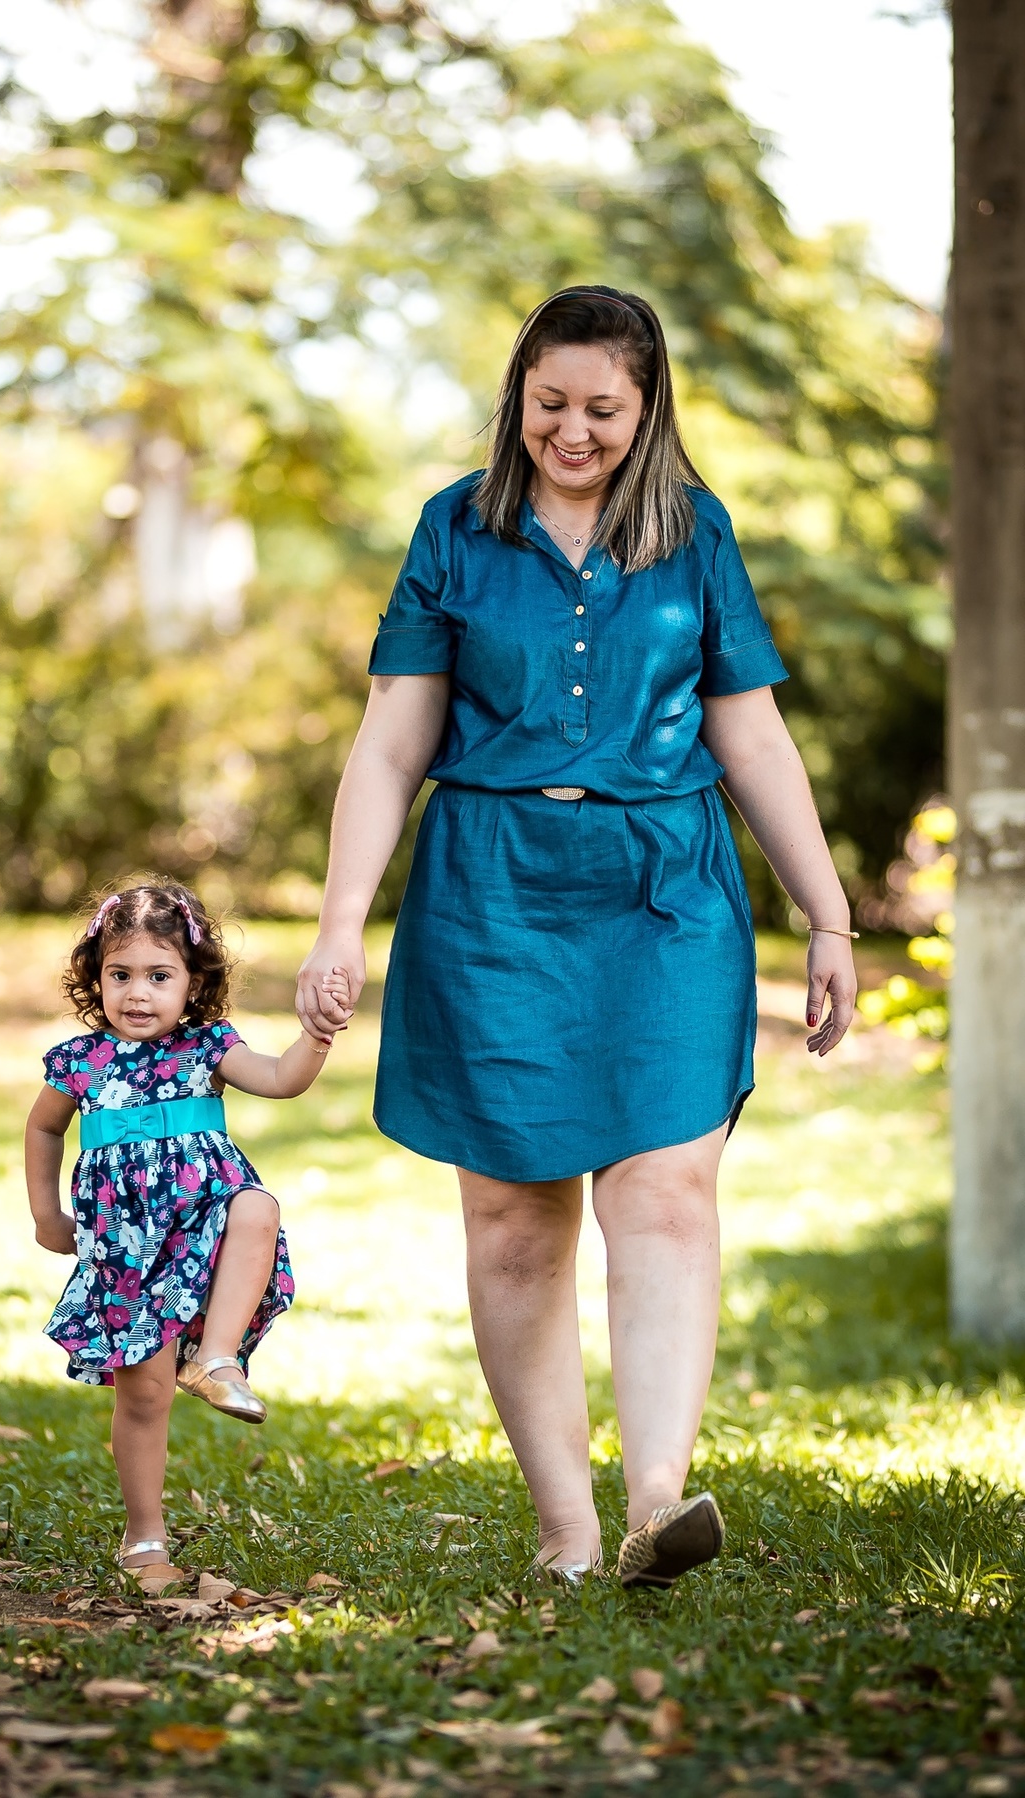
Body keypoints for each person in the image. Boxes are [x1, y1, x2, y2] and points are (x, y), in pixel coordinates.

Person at [296, 286, 857, 1590]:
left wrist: (826, 914)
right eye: (550, 403)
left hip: (665, 888)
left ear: (648, 407)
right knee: (511, 1217)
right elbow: (391, 739)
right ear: (517, 397)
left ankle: (659, 1493)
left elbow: (753, 732)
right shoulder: (456, 527)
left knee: (664, 1186)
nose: (574, 430)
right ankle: (566, 1523)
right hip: (489, 893)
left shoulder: (695, 532)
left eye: (604, 408)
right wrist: (339, 919)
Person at [25, 879, 348, 1596]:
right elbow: (44, 1127)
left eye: (159, 976)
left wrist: (317, 1034)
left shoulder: (208, 1048)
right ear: (96, 978)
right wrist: (47, 1216)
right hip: (125, 1250)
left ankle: (220, 1357)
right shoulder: (80, 1061)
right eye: (120, 975)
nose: (138, 994)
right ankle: (143, 1534)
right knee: (143, 1396)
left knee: (256, 1205)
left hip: (205, 1223)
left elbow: (280, 1078)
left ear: (193, 982)